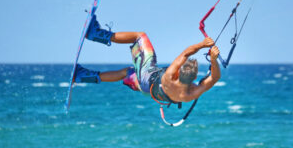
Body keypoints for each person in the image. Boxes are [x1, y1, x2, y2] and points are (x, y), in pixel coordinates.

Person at [75, 14, 221, 104]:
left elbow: (185, 54)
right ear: (194, 77)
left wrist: (202, 44)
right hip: (149, 91)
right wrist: (213, 59)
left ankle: (96, 34)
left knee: (140, 36)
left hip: (148, 77)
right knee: (127, 72)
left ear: (180, 71)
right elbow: (214, 78)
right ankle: (82, 76)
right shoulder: (192, 92)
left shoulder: (170, 75)